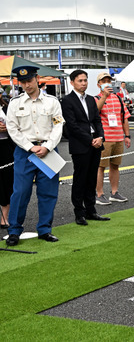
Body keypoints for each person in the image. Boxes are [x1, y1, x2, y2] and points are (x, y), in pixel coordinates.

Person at [5, 66, 65, 246]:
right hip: (24, 152)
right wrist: (30, 147)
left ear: (37, 78)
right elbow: (12, 129)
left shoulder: (52, 101)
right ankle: (14, 231)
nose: (26, 85)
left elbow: (58, 125)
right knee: (20, 192)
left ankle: (45, 229)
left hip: (49, 150)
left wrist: (47, 146)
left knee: (48, 192)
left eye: (29, 81)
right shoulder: (15, 102)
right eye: (22, 82)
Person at [61, 70, 110, 226]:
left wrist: (100, 137)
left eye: (85, 80)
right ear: (72, 82)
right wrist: (90, 140)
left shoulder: (90, 99)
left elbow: (97, 120)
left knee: (91, 178)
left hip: (95, 143)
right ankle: (79, 212)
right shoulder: (67, 101)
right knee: (80, 179)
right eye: (80, 80)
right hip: (80, 145)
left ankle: (91, 210)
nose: (83, 83)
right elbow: (72, 126)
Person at [94, 72, 131, 205]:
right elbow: (94, 113)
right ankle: (99, 194)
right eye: (104, 81)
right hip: (104, 138)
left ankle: (114, 192)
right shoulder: (96, 98)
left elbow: (124, 118)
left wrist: (127, 136)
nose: (107, 83)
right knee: (100, 167)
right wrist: (104, 96)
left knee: (115, 165)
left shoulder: (118, 98)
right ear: (99, 84)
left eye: (109, 80)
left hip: (118, 137)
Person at [0, 95, 16, 229]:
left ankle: (4, 218)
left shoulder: (7, 107)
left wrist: (8, 129)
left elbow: (17, 126)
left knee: (7, 182)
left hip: (7, 147)